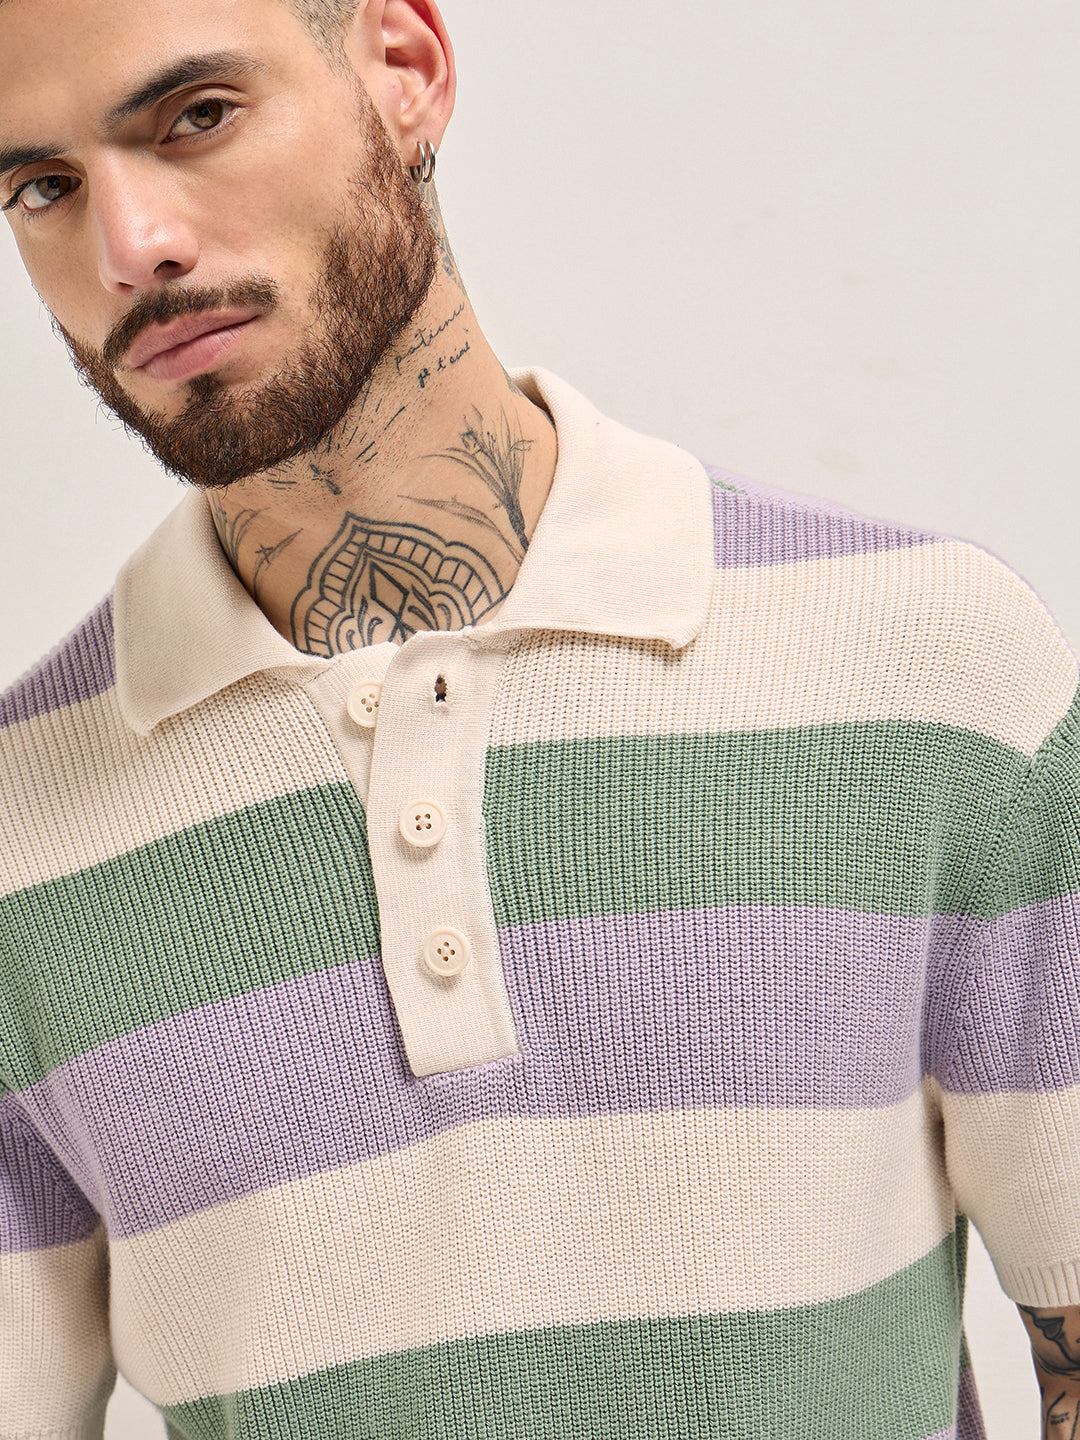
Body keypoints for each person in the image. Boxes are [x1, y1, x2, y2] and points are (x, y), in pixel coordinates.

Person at [1, 0, 1078, 1436]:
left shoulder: (930, 661)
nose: (130, 247)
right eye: (42, 187)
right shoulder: (18, 829)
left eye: (198, 118)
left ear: (405, 68)